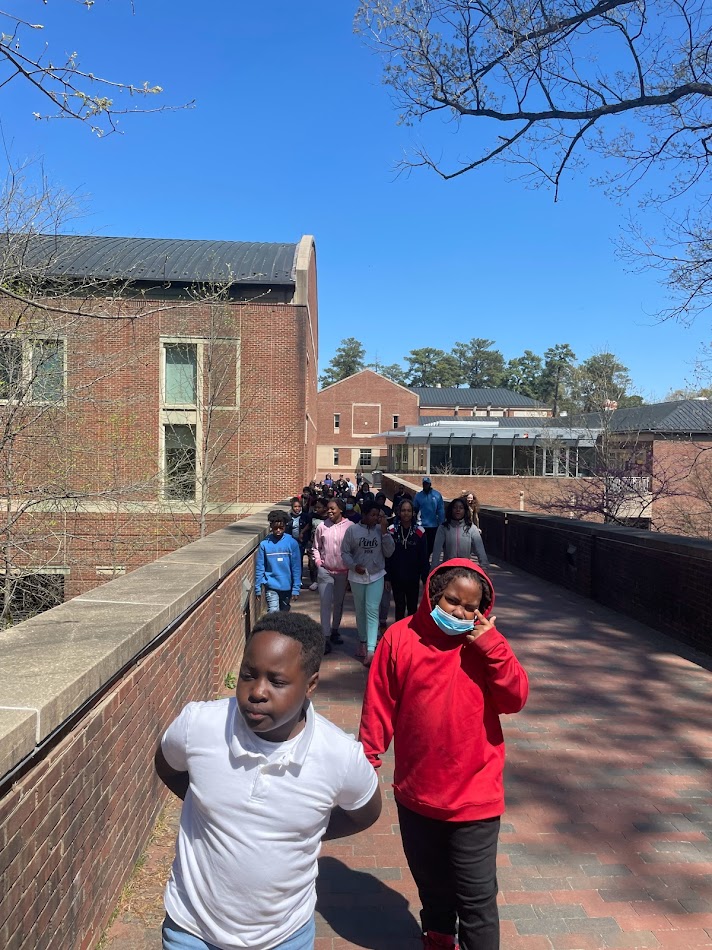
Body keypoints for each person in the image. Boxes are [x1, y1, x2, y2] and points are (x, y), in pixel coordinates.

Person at [156, 611, 382, 950]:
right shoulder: (199, 726)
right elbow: (168, 765)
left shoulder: (340, 756)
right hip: (191, 929)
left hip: (282, 936)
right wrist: (211, 807)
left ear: (311, 685)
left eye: (277, 682)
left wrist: (309, 827)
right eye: (249, 675)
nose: (257, 692)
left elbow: (365, 811)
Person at [359, 559, 529, 950]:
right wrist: (367, 761)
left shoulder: (484, 646)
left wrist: (492, 647)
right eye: (453, 601)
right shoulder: (400, 638)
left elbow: (515, 699)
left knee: (476, 899)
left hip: (475, 798)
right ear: (435, 595)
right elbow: (379, 707)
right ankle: (437, 940)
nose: (461, 613)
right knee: (433, 890)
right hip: (418, 793)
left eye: (472, 608)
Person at [340, 500, 395, 666]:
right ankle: (363, 642)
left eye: (378, 515)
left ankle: (371, 650)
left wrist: (385, 533)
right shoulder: (352, 531)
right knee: (361, 609)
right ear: (363, 515)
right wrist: (353, 566)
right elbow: (344, 552)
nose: (376, 518)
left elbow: (389, 552)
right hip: (357, 577)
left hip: (376, 575)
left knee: (372, 609)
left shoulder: (381, 530)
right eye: (372, 515)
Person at [312, 497, 352, 652]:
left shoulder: (350, 527)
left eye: (332, 509)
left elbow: (354, 548)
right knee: (325, 602)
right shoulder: (322, 527)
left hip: (343, 572)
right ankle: (325, 637)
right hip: (326, 570)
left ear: (340, 510)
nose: (329, 511)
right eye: (328, 508)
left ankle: (335, 630)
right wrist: (318, 563)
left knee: (339, 603)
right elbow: (316, 547)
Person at [385, 497, 430, 622]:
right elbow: (387, 555)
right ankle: (399, 633)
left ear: (413, 513)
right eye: (403, 510)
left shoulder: (420, 531)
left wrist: (425, 577)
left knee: (412, 607)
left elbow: (423, 556)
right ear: (399, 512)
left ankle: (410, 634)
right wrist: (387, 577)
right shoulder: (392, 530)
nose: (406, 513)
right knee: (399, 607)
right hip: (396, 575)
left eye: (409, 511)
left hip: (413, 576)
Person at [254, 510, 302, 612]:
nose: (278, 530)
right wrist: (257, 587)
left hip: (287, 585)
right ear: (271, 527)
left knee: (284, 613)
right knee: (273, 611)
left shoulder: (292, 543)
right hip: (271, 585)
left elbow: (296, 567)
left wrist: (296, 588)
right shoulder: (264, 544)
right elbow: (260, 567)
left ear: (285, 526)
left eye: (281, 527)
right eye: (275, 528)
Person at [431, 498, 490, 571]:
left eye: (461, 508)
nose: (458, 510)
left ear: (465, 511)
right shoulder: (443, 528)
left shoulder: (472, 528)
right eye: (455, 507)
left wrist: (485, 569)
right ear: (451, 510)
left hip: (466, 570)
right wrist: (433, 570)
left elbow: (480, 550)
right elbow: (437, 551)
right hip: (448, 570)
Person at [413, 477, 445, 556]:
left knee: (431, 546)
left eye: (427, 484)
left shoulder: (437, 495)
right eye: (424, 484)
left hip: (433, 526)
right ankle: (424, 562)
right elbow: (414, 510)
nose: (425, 485)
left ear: (430, 484)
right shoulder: (418, 496)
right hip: (421, 525)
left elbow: (441, 510)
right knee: (421, 546)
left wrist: (442, 524)